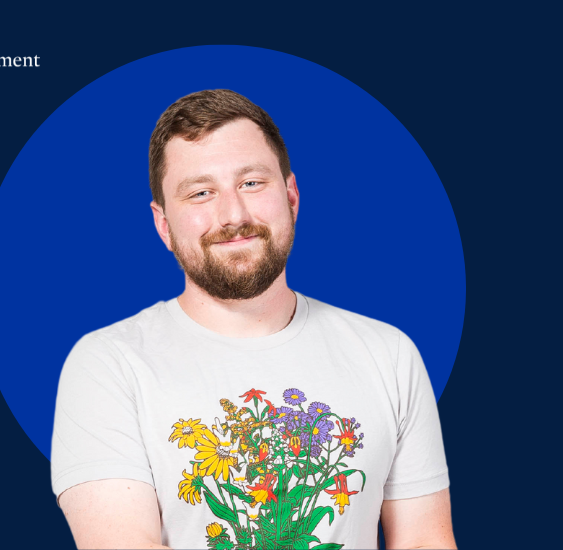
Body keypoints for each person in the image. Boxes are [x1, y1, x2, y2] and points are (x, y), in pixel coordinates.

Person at [50, 89, 456, 549]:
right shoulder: (108, 365)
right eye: (201, 193)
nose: (233, 215)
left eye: (251, 183)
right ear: (163, 225)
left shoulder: (389, 355)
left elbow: (425, 541)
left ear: (292, 196)